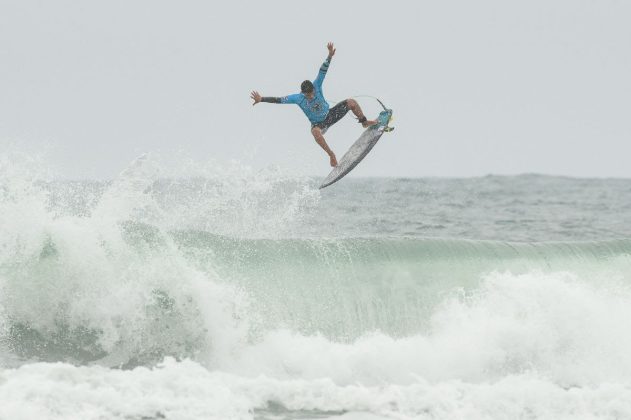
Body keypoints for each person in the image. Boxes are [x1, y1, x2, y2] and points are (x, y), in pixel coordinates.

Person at [250, 42, 377, 167]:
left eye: (312, 93)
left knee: (351, 102)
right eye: (308, 95)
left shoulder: (316, 85)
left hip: (330, 114)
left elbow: (323, 70)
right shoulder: (297, 98)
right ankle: (331, 155)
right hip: (319, 124)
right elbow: (278, 100)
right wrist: (261, 99)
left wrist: (329, 56)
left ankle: (364, 122)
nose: (311, 96)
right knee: (315, 132)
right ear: (303, 93)